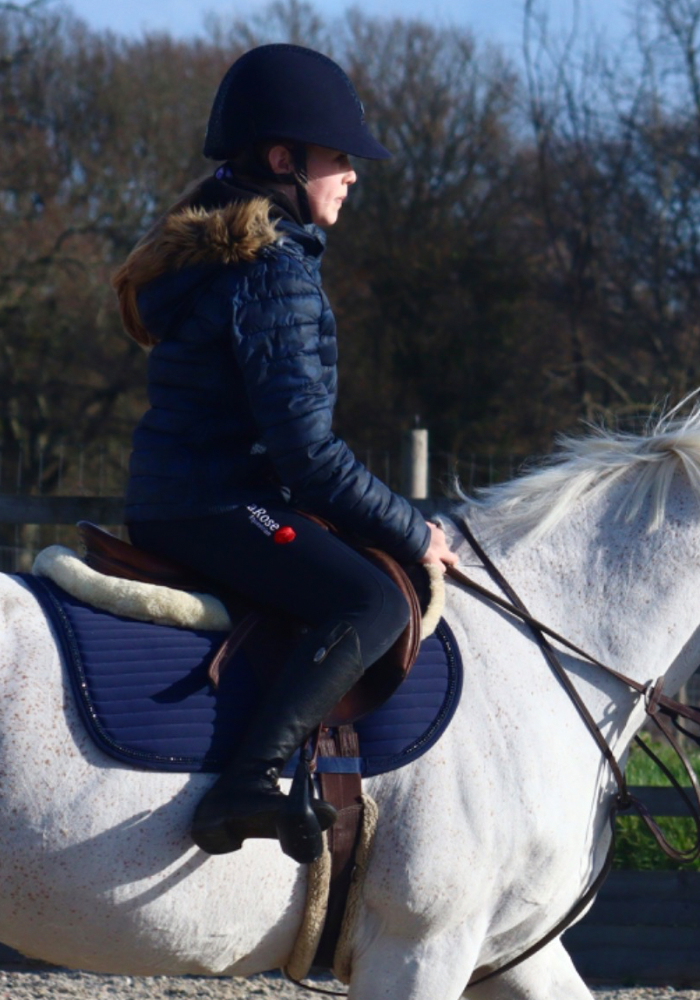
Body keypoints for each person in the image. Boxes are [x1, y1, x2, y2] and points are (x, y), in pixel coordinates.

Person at [112, 43, 458, 865]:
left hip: (179, 496)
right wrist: (414, 534)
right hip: (218, 503)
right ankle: (248, 780)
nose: (352, 175)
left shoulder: (222, 258)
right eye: (339, 159)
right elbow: (309, 456)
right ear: (283, 160)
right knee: (373, 603)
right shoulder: (272, 273)